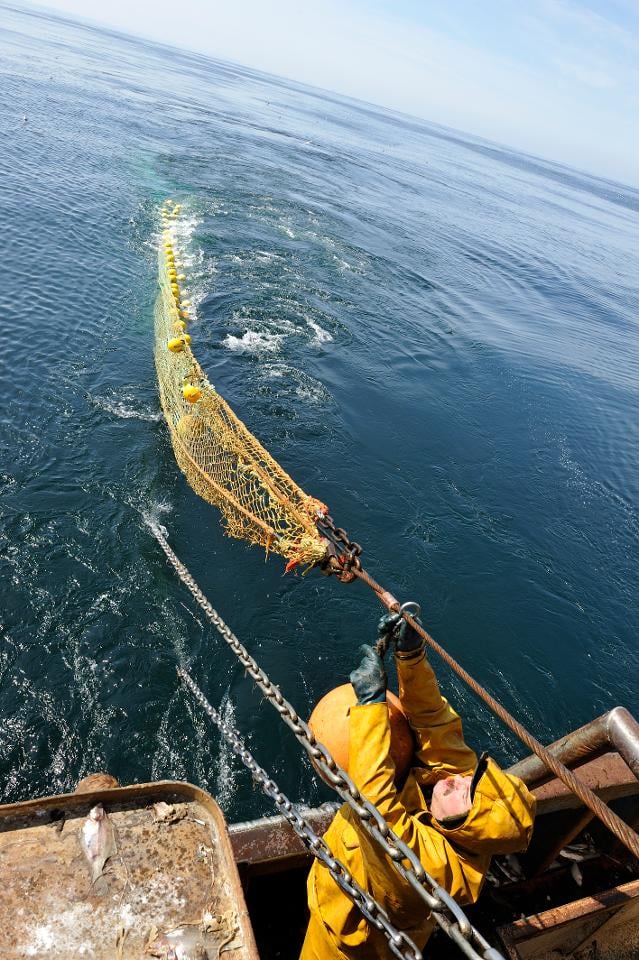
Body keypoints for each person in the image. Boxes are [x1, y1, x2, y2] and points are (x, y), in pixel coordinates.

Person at [301, 614, 536, 959]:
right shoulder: (458, 800)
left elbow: (375, 806)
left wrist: (371, 709)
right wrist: (411, 658)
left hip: (352, 936)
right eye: (471, 779)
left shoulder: (440, 869)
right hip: (343, 868)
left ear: (464, 826)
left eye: (464, 791)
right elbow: (434, 722)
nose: (456, 780)